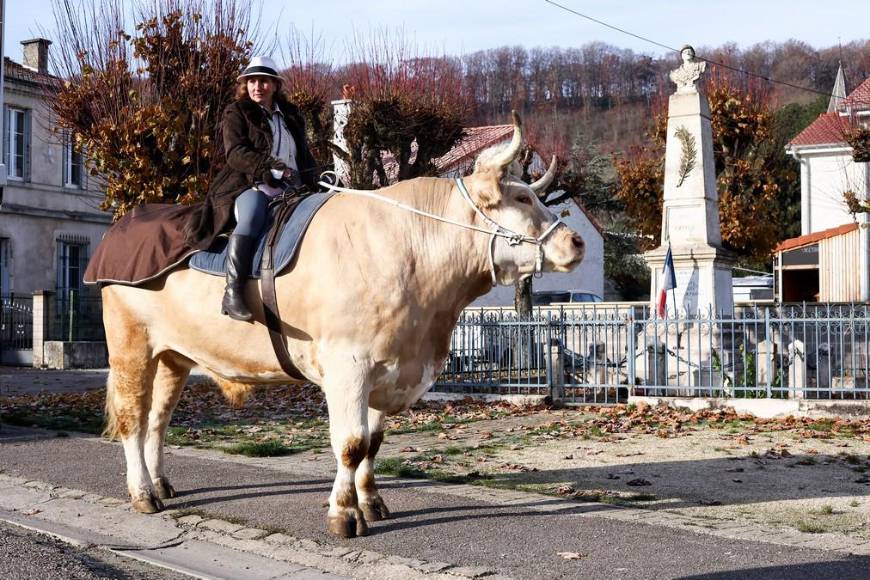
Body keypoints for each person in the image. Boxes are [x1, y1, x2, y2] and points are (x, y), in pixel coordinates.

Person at [200, 56, 318, 321]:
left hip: (293, 188)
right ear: (246, 85)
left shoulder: (290, 116)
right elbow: (236, 153)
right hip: (249, 184)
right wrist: (272, 169)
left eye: (264, 81)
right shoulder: (236, 112)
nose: (257, 86)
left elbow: (303, 155)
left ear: (275, 85)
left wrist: (319, 179)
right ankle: (232, 294)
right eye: (252, 81)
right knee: (252, 216)